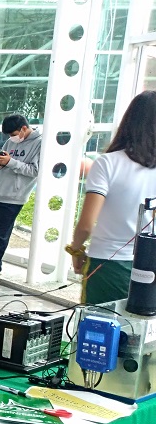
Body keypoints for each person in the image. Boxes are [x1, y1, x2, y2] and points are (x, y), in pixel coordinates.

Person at [68, 90, 156, 305]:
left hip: (109, 265)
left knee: (99, 331)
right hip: (150, 265)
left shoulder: (108, 163)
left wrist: (76, 250)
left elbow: (86, 225)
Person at [0, 114, 42, 287]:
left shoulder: (40, 143)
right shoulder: (11, 142)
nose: (12, 138)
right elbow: (6, 159)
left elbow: (35, 170)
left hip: (14, 197)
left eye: (13, 134)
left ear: (24, 128)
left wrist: (11, 162)